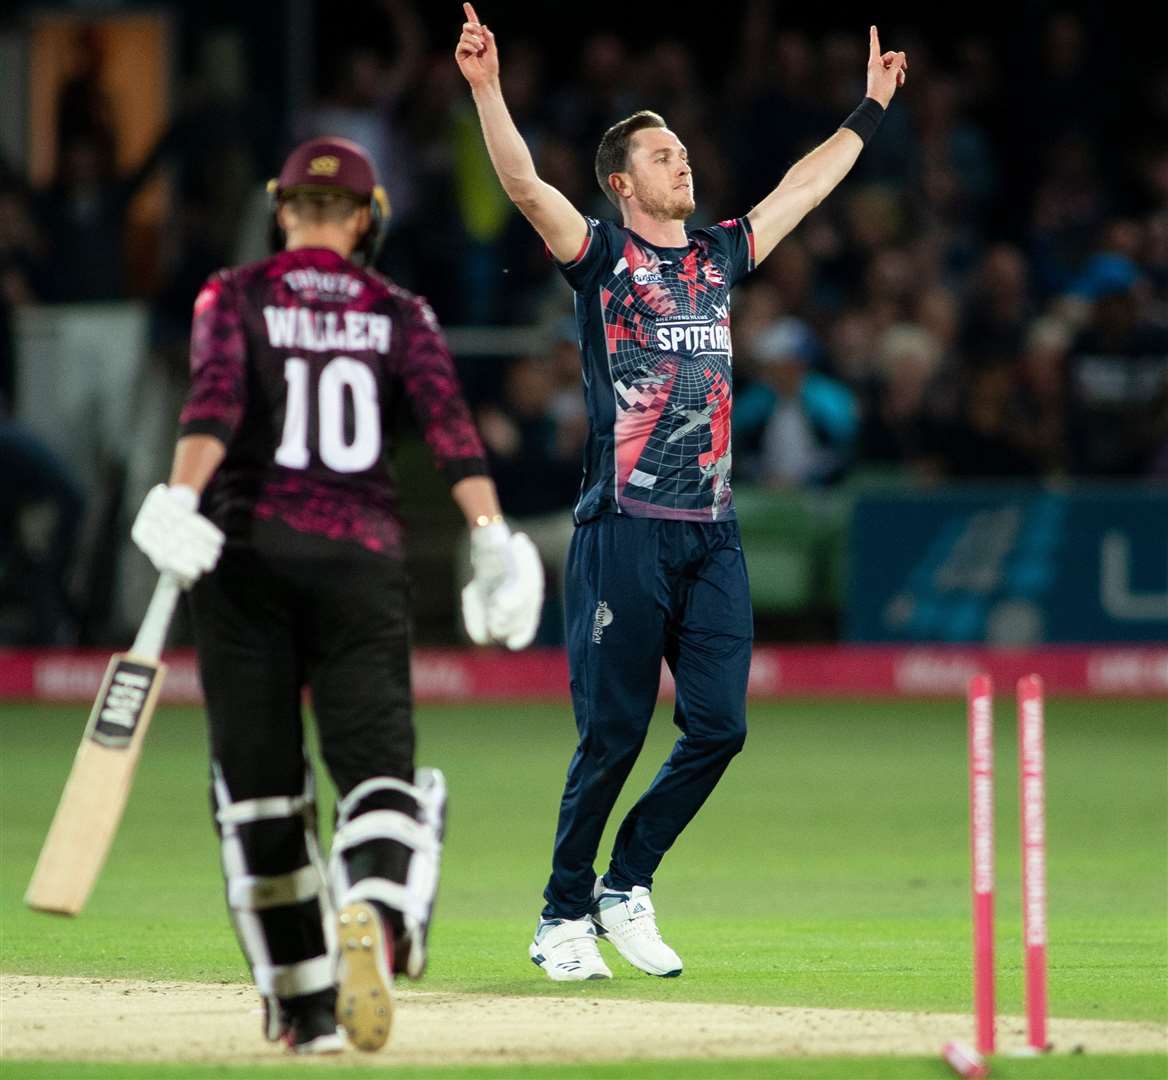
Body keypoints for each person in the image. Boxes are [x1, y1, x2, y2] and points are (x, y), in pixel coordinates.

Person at [456, 4, 906, 981]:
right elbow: (524, 186)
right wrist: (488, 90)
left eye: (685, 151)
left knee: (722, 727)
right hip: (623, 527)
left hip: (712, 529)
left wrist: (868, 107)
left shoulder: (717, 257)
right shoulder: (603, 260)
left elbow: (804, 187)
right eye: (663, 156)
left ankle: (627, 884)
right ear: (621, 183)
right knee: (612, 735)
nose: (683, 163)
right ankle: (559, 914)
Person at [129, 136, 542, 1052]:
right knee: (382, 778)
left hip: (243, 564)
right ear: (366, 219)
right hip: (359, 562)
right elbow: (449, 430)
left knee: (262, 798)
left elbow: (213, 403)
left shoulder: (232, 295)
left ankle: (307, 1014)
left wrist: (180, 499)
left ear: (283, 212)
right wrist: (491, 538)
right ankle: (376, 912)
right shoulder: (400, 310)